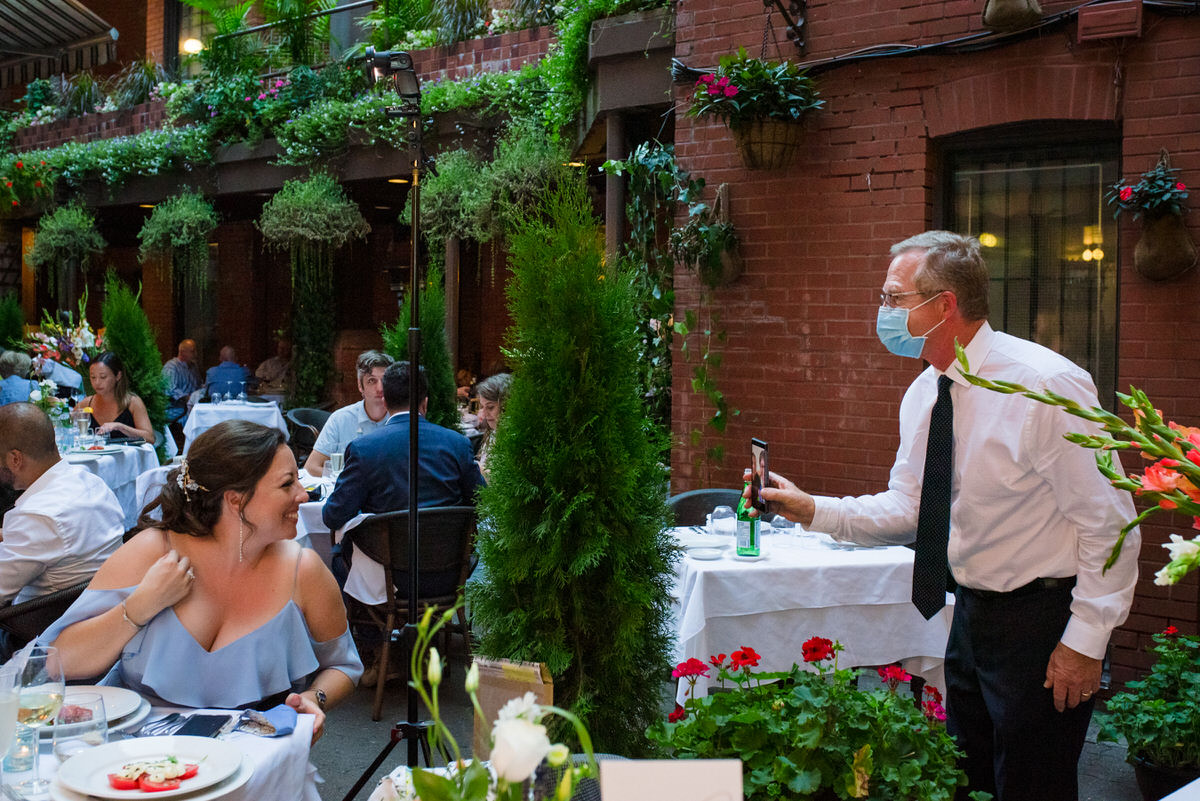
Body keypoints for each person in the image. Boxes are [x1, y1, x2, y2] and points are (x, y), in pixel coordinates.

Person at [753, 231, 1139, 801]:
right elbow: (909, 506)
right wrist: (811, 509)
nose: (882, 312)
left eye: (893, 298)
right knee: (967, 780)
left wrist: (1085, 641)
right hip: (970, 616)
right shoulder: (925, 393)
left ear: (944, 305)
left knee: (1034, 786)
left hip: (1042, 621)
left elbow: (1111, 525)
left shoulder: (1046, 385)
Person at [41, 420, 362, 744]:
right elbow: (57, 662)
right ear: (235, 500)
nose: (303, 494)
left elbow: (344, 667)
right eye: (286, 484)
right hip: (137, 763)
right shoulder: (152, 552)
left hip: (254, 761)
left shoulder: (303, 571)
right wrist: (139, 606)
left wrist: (314, 698)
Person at [322, 361, 484, 534]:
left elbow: (334, 515)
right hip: (448, 556)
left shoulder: (364, 449)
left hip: (382, 558)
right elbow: (482, 503)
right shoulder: (458, 443)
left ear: (385, 403)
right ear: (425, 403)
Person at [0, 403, 123, 605]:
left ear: (15, 459)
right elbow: (58, 540)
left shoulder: (36, 515)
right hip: (97, 607)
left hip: (41, 626)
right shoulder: (92, 482)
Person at [303, 350, 394, 477]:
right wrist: (347, 480)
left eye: (384, 380)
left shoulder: (402, 420)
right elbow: (311, 467)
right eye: (371, 381)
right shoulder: (340, 419)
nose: (380, 388)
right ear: (360, 386)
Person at [81, 352, 155, 445]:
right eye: (93, 377)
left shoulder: (132, 402)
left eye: (103, 377)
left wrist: (120, 427)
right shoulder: (86, 403)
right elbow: (66, 425)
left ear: (118, 376)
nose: (97, 382)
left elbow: (150, 438)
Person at [474, 372, 512, 481]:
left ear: (506, 405)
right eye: (482, 407)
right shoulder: (493, 433)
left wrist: (475, 468)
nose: (485, 414)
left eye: (490, 407)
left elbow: (503, 481)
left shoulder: (514, 438)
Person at [162, 339, 202, 424]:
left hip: (193, 406)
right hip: (175, 408)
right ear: (182, 352)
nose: (196, 354)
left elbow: (198, 385)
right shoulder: (171, 367)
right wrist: (188, 398)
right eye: (192, 351)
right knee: (194, 418)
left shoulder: (193, 367)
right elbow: (169, 390)